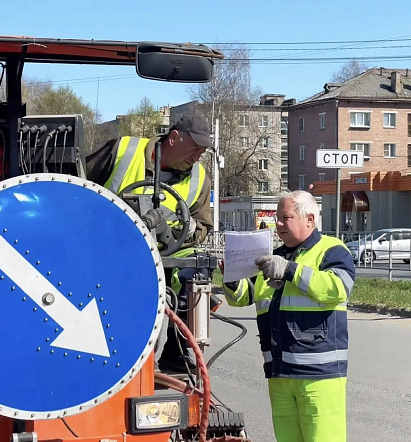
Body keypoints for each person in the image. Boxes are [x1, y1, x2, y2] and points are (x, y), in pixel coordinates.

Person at [219, 190, 355, 442]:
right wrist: (231, 277)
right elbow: (242, 298)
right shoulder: (274, 257)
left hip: (318, 376)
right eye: (277, 218)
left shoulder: (331, 250)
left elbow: (339, 288)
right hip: (279, 372)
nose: (278, 223)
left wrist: (290, 270)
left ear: (310, 219)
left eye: (285, 217)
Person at [85, 113, 214, 373]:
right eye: (194, 149)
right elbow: (77, 186)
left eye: (202, 152)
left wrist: (183, 233)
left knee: (196, 271)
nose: (197, 157)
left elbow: (203, 225)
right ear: (174, 138)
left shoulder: (199, 177)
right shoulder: (122, 151)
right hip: (105, 250)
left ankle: (176, 353)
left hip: (164, 253)